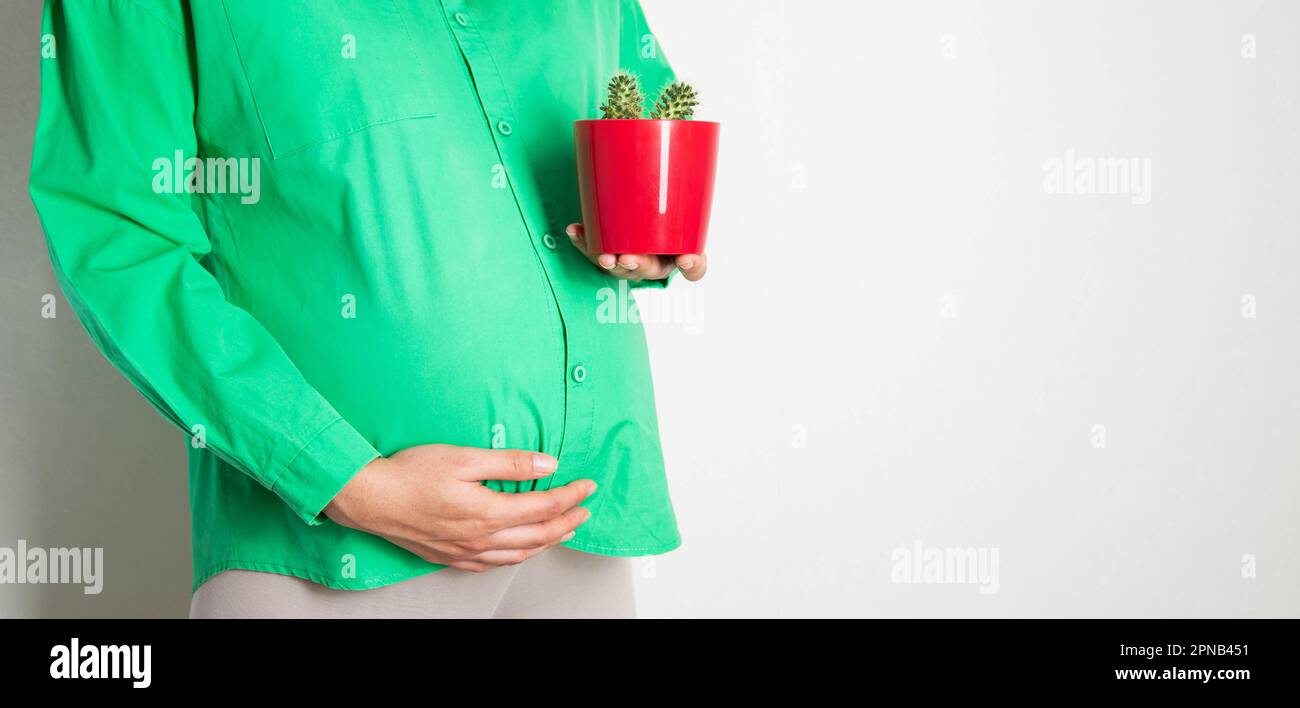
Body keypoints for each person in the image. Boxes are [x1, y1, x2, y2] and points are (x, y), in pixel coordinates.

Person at [29, 0, 706, 619]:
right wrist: (348, 482)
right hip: (333, 558)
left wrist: (650, 235)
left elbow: (639, 117)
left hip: (584, 519)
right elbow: (120, 238)